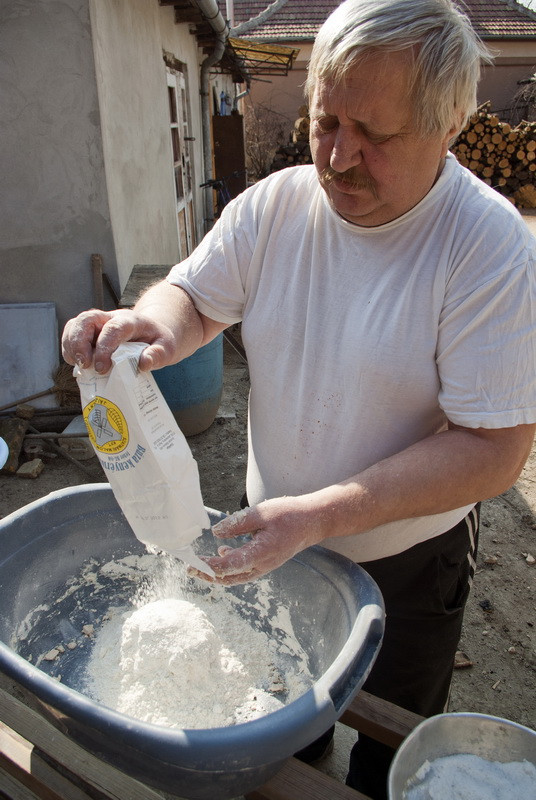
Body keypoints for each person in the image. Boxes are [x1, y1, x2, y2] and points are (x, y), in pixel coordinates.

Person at [62, 0, 536, 796]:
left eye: (376, 136)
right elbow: (198, 297)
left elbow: (495, 450)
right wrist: (153, 327)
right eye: (326, 121)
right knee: (280, 725)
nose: (340, 158)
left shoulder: (487, 250)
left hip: (406, 568)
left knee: (392, 742)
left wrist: (322, 513)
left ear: (451, 125)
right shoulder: (277, 205)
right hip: (271, 542)